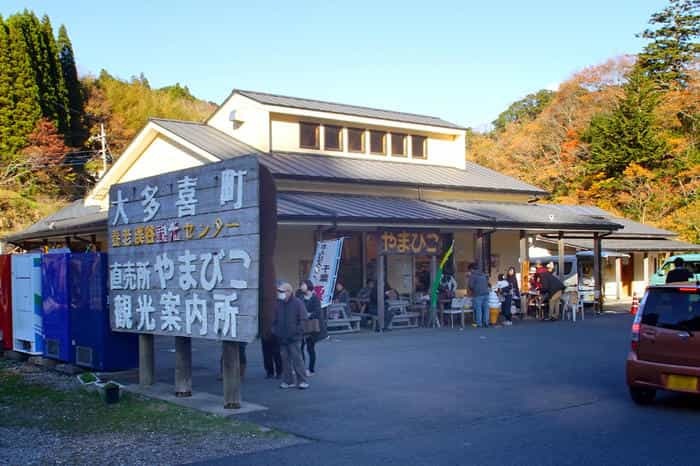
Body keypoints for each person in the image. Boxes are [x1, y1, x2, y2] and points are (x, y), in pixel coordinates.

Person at [272, 282, 309, 389]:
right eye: (279, 291)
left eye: (282, 291)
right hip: (282, 337)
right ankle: (288, 381)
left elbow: (303, 319)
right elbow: (274, 320)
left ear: (289, 292)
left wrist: (297, 331)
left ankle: (302, 381)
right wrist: (275, 331)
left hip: (294, 337)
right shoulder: (278, 303)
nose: (280, 293)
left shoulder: (298, 303)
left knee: (297, 359)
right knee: (285, 360)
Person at [298, 279, 326, 376]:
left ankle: (311, 369)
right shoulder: (300, 297)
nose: (301, 286)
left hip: (312, 327)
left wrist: (308, 314)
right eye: (301, 285)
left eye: (303, 285)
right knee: (300, 348)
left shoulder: (315, 298)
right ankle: (301, 368)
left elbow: (318, 311)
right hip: (302, 326)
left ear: (308, 286)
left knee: (310, 348)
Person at [467, 263, 490, 328]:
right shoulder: (483, 274)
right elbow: (487, 283)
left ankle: (479, 323)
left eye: (469, 270)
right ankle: (486, 323)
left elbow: (470, 285)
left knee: (478, 309)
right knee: (486, 309)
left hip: (478, 294)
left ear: (471, 269)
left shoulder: (473, 275)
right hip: (486, 294)